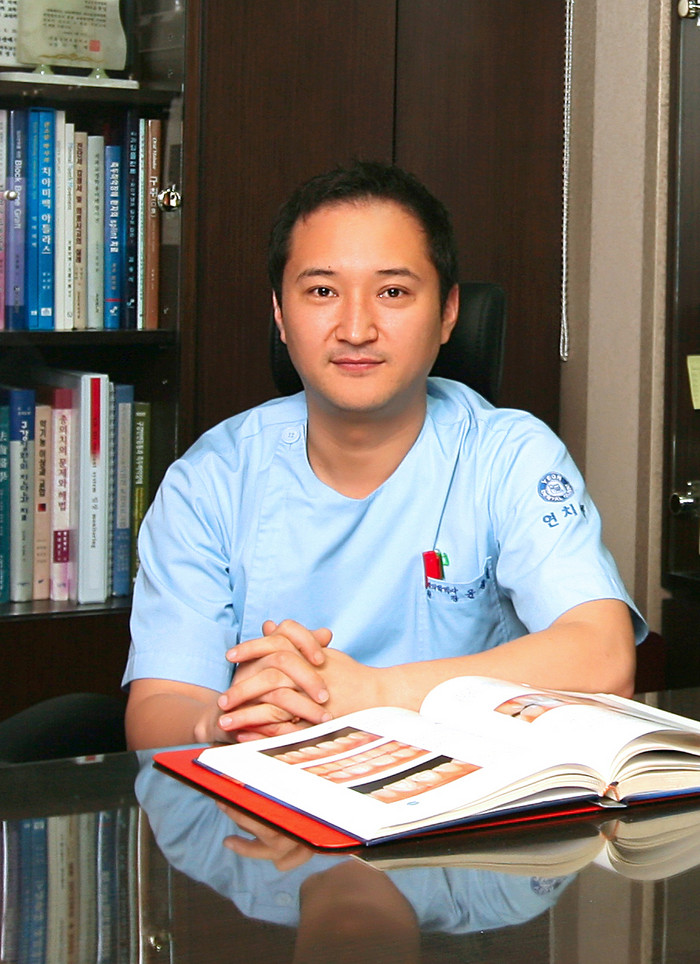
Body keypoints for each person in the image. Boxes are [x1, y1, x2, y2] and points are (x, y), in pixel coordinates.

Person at [123, 160, 645, 750]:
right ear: (280, 314)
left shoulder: (509, 456)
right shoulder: (211, 479)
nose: (356, 328)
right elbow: (158, 708)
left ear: (448, 312)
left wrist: (371, 694)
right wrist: (223, 724)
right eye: (322, 291)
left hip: (471, 795)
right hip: (274, 795)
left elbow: (603, 656)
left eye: (392, 292)